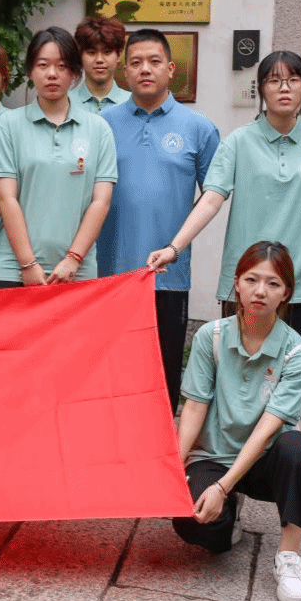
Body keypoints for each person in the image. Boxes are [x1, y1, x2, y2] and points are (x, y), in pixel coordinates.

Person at [147, 50, 301, 357]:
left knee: (293, 371)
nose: (284, 88)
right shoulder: (238, 141)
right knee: (237, 370)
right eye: (274, 81)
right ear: (261, 89)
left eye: (293, 80)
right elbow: (211, 199)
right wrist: (173, 249)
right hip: (246, 279)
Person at [172, 241, 301, 601]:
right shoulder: (211, 336)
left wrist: (223, 485)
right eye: (252, 279)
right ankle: (228, 520)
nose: (260, 291)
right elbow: (194, 407)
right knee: (192, 522)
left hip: (266, 459)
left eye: (273, 283)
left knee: (299, 451)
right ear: (236, 283)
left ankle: (289, 557)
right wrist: (170, 470)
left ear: (286, 293)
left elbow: (268, 428)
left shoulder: (297, 354)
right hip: (214, 454)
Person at [98, 29, 219, 412]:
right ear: (124, 71)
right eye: (135, 62)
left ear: (170, 68)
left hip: (168, 275)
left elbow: (214, 195)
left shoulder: (199, 128)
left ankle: (161, 441)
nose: (144, 69)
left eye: (153, 61)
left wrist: (177, 246)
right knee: (111, 376)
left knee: (163, 379)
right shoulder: (102, 125)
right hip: (109, 274)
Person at [0, 27, 117, 287]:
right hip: (13, 269)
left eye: (62, 66)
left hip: (77, 270)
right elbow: (6, 198)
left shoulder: (98, 129)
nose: (52, 74)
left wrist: (73, 259)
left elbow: (100, 202)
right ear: (30, 71)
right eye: (43, 65)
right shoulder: (8, 126)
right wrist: (27, 263)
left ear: (75, 73)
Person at [70, 15, 132, 114]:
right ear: (80, 55)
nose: (99, 60)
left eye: (107, 52)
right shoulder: (64, 103)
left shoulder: (134, 104)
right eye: (91, 52)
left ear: (119, 55)